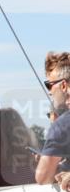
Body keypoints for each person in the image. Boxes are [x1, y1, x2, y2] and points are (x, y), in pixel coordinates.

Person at [36, 51, 70, 184]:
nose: (49, 92)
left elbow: (43, 178)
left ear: (63, 85)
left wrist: (48, 166)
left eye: (49, 84)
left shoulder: (63, 125)